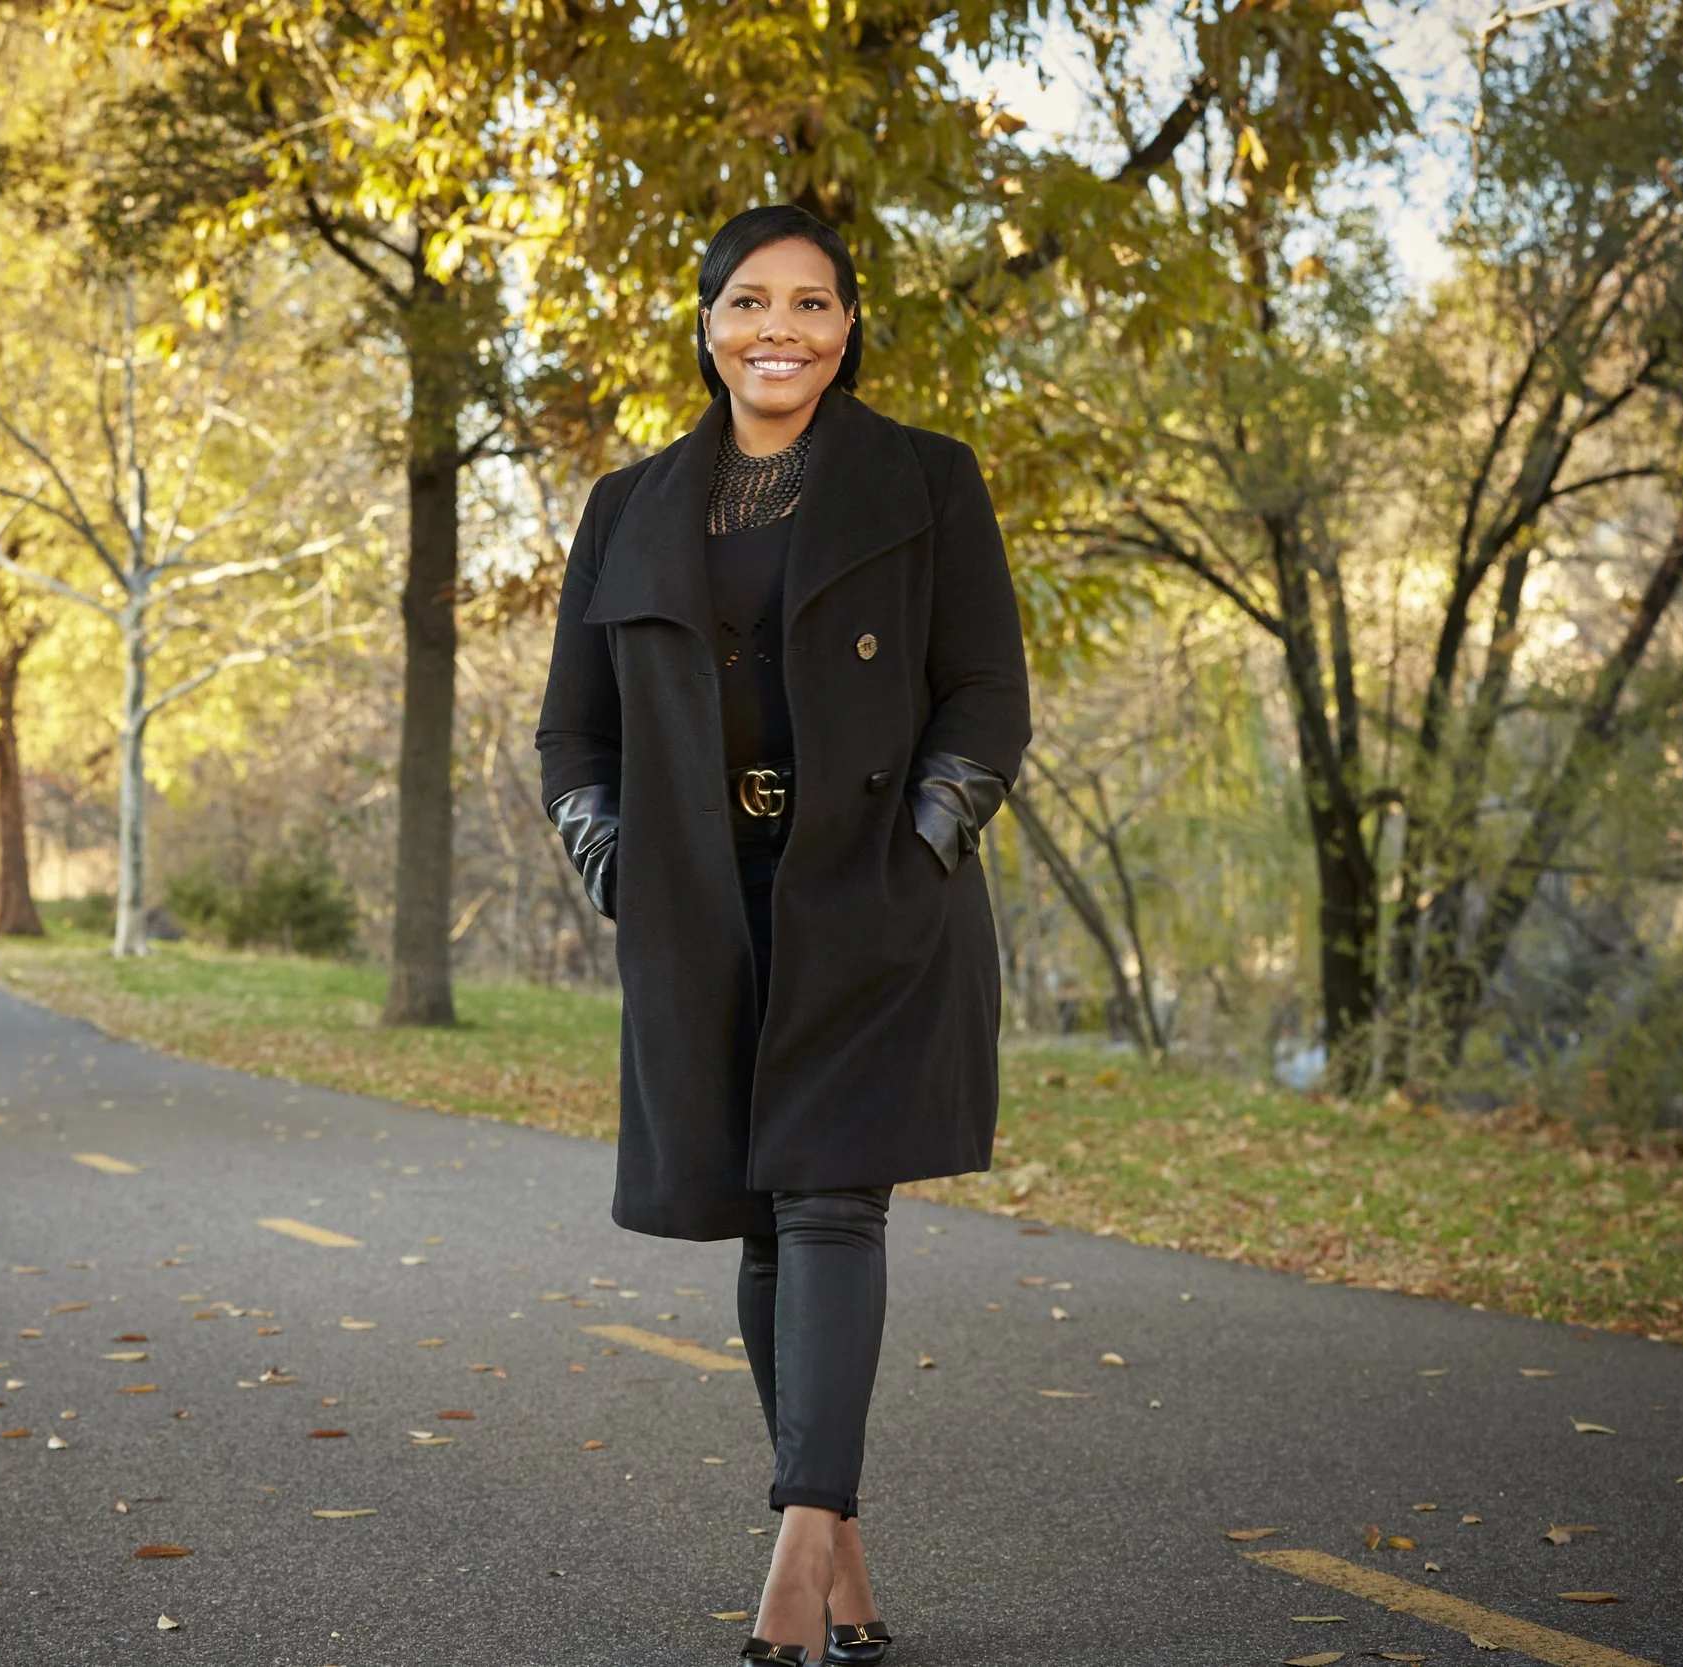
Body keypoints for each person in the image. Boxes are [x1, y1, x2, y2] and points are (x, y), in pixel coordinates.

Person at [535, 203, 1031, 1665]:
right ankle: (844, 1553)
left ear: (848, 324)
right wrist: (614, 856)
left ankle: (790, 1565)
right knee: (763, 1212)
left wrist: (924, 840)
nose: (781, 331)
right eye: (750, 302)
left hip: (866, 889)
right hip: (701, 900)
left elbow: (987, 692)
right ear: (705, 327)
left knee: (830, 1200)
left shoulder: (927, 481)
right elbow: (574, 727)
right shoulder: (630, 504)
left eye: (812, 305)